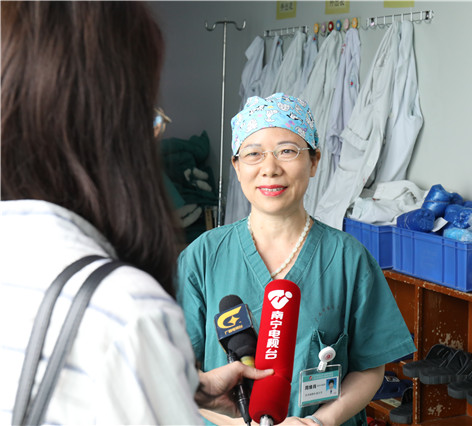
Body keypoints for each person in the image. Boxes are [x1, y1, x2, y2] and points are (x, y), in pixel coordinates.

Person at [0, 2, 271, 424]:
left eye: (287, 151)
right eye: (149, 118)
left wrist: (187, 387)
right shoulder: (128, 310)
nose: (270, 168)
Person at [177, 93, 416, 425]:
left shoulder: (348, 259)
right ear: (237, 167)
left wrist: (319, 422)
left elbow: (370, 367)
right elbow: (176, 371)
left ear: (314, 161)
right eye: (253, 154)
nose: (270, 168)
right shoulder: (203, 257)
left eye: (287, 151)